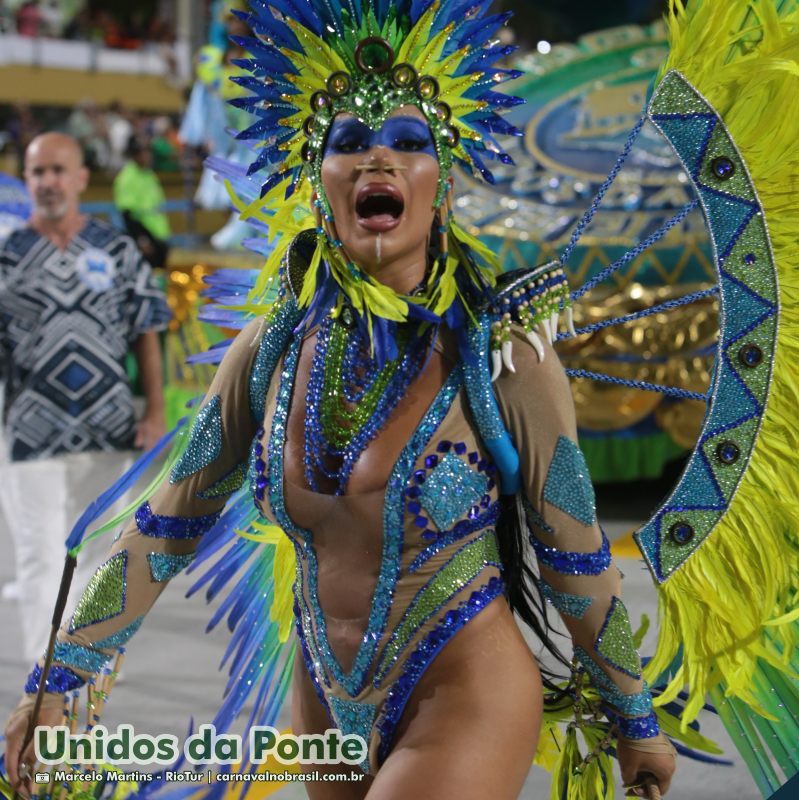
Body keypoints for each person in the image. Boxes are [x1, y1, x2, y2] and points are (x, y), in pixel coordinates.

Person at [3, 5, 681, 799]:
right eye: (350, 142)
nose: (377, 159)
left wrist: (636, 720)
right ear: (317, 178)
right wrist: (60, 678)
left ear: (443, 178)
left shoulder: (503, 354)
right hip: (324, 701)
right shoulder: (273, 351)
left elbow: (576, 555)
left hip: (464, 688)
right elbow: (167, 522)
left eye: (408, 141)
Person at [0, 132, 170, 669]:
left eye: (57, 170)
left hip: (109, 429)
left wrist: (156, 409)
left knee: (100, 558)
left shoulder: (115, 250)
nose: (47, 182)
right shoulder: (7, 256)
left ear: (79, 178)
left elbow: (147, 328)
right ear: (27, 181)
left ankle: (77, 672)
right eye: (37, 172)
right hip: (31, 433)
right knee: (38, 554)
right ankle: (41, 680)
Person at [113, 136, 171, 268]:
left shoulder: (149, 174)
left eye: (148, 152)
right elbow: (127, 213)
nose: (147, 156)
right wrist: (141, 239)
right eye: (143, 152)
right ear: (135, 155)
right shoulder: (127, 177)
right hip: (145, 235)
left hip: (159, 233)